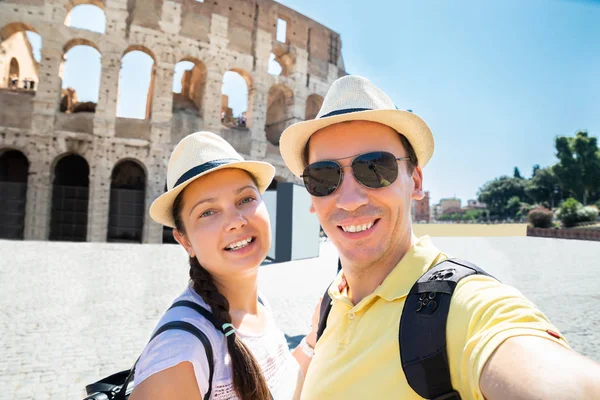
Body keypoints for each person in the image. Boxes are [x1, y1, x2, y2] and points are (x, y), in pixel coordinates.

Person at [279, 75, 600, 399]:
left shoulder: (464, 307)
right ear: (310, 196)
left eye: (375, 168)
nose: (349, 199)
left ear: (416, 182)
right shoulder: (333, 301)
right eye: (323, 177)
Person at [130, 131, 318, 400]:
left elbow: (279, 390)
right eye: (208, 212)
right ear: (185, 241)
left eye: (245, 199)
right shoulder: (180, 353)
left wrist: (313, 338)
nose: (236, 220)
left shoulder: (259, 306)